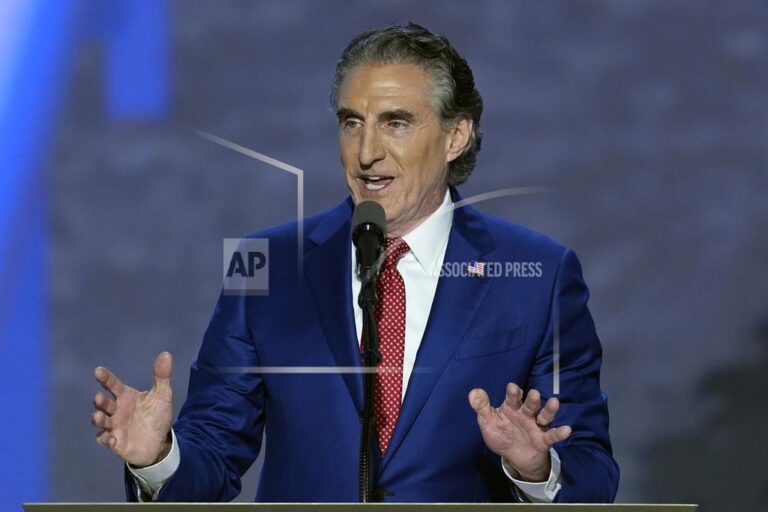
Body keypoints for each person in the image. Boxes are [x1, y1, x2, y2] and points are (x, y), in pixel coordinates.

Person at [91, 22, 619, 503]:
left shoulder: (540, 275)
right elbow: (215, 449)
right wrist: (157, 457)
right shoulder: (266, 263)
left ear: (455, 136)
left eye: (396, 123)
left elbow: (592, 471)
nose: (366, 152)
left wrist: (535, 467)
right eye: (352, 122)